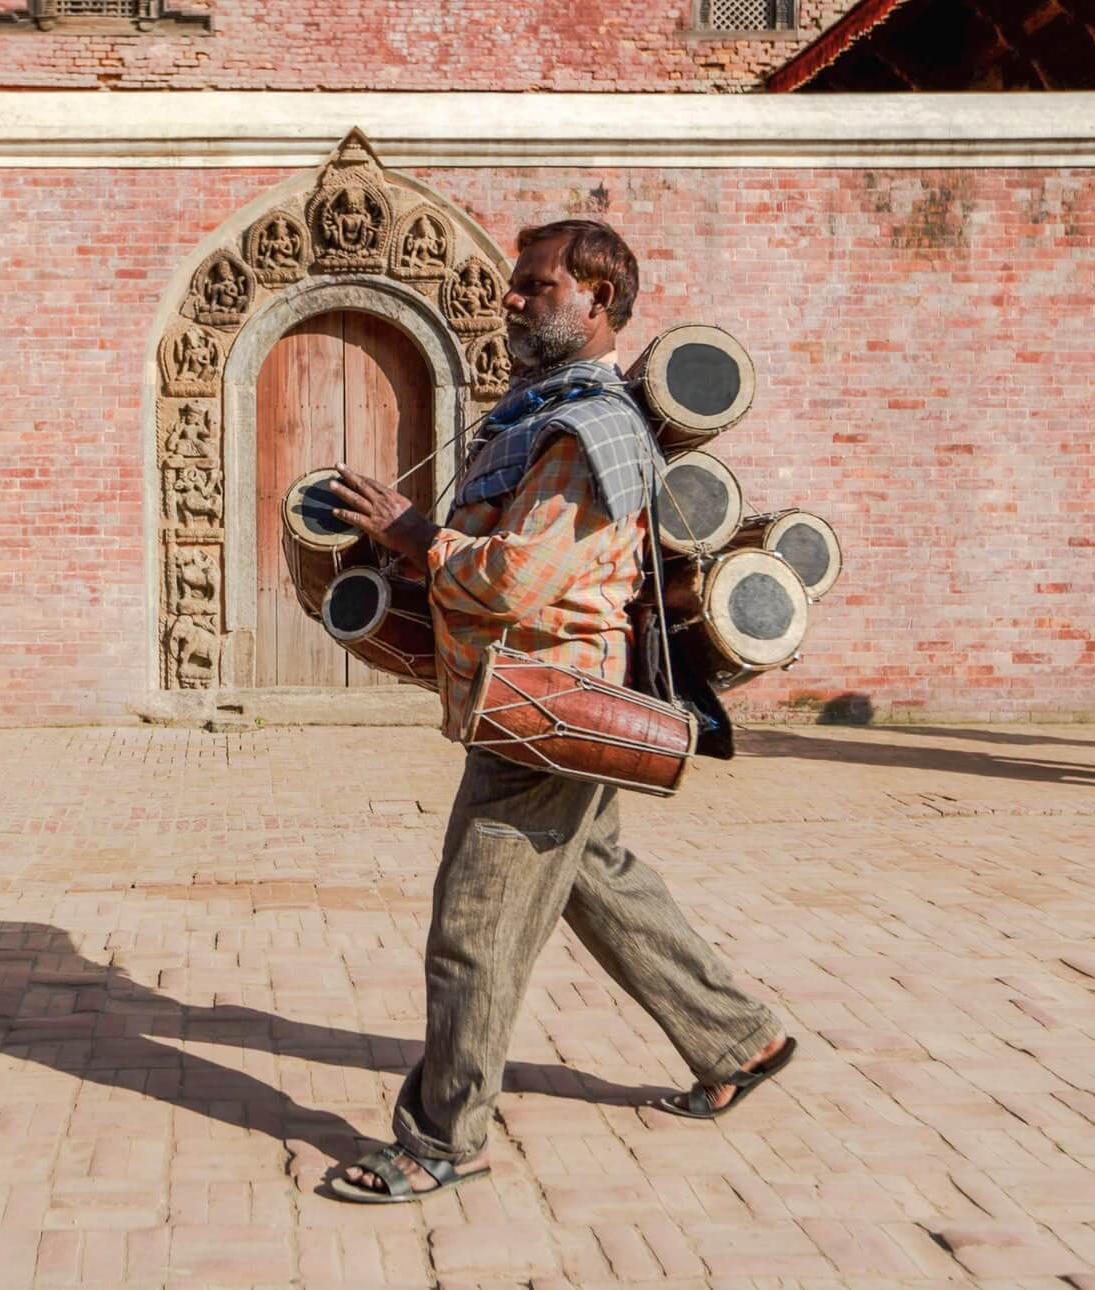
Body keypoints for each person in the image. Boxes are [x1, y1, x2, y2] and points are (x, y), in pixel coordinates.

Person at [322, 220, 794, 1204]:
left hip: (545, 710)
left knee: (475, 928)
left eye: (535, 286)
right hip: (539, 705)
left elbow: (517, 583)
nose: (512, 300)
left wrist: (416, 539)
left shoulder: (592, 431)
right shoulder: (543, 416)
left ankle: (443, 1138)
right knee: (599, 878)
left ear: (598, 301)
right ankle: (737, 1037)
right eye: (516, 285)